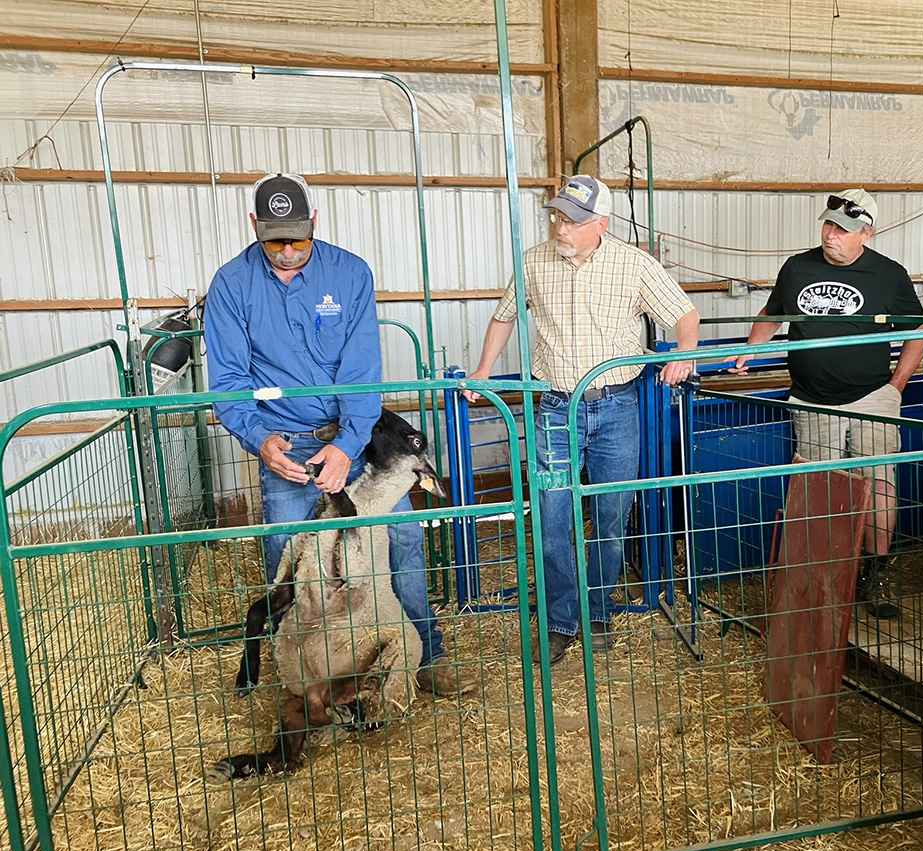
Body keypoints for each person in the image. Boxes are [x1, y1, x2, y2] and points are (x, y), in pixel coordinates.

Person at [205, 172, 476, 696]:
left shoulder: (349, 274)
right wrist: (259, 437)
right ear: (254, 225)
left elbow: (359, 373)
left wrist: (347, 447)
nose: (287, 252)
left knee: (400, 537)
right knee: (287, 551)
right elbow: (231, 383)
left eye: (298, 239)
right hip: (286, 444)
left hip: (356, 439)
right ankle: (298, 676)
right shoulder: (232, 285)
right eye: (275, 240)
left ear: (315, 224)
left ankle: (426, 655)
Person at [461, 175, 699, 665]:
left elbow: (685, 314)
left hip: (617, 407)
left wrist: (686, 353)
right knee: (553, 516)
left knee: (611, 516)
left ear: (601, 225)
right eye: (557, 216)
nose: (560, 227)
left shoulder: (634, 265)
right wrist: (483, 369)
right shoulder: (533, 262)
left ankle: (596, 612)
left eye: (571, 219)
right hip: (554, 409)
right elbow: (505, 315)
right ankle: (560, 621)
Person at [727, 189, 923, 619]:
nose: (831, 234)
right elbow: (773, 311)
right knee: (819, 490)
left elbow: (919, 328)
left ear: (866, 233)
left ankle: (876, 572)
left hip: (873, 396)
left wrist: (897, 385)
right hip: (811, 398)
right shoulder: (797, 267)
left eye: (843, 228)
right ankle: (824, 576)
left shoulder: (888, 275)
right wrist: (751, 348)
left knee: (878, 485)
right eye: (828, 224)